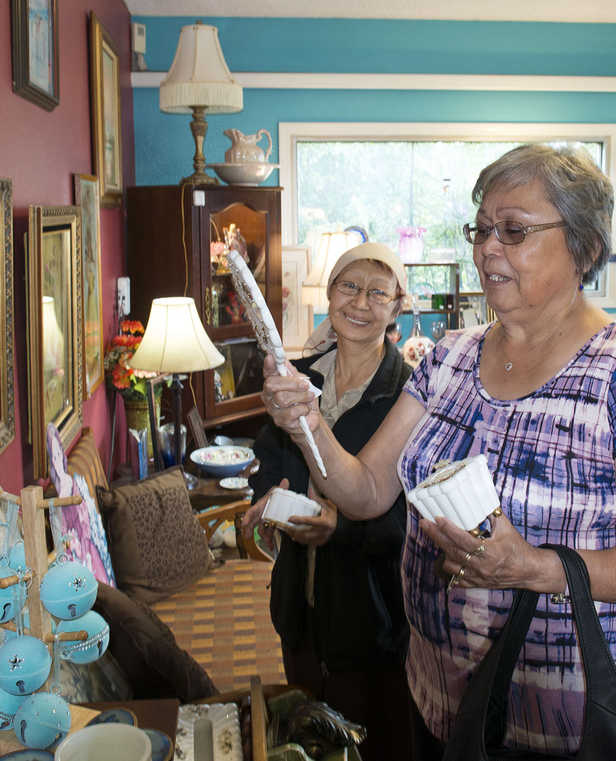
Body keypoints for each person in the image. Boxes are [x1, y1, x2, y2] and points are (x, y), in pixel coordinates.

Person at [258, 144, 616, 757]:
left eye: (514, 230)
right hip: (434, 692)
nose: (487, 248)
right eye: (482, 229)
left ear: (582, 247)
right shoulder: (450, 356)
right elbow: (366, 490)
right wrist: (308, 420)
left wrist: (534, 568)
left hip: (553, 721)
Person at [241, 242, 414, 761]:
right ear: (330, 295)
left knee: (371, 741)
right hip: (299, 606)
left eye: (377, 292)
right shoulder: (299, 378)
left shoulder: (409, 395)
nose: (360, 302)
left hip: (374, 620)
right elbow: (269, 458)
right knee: (308, 732)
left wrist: (340, 527)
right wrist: (270, 497)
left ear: (396, 307)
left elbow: (412, 520)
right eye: (348, 286)